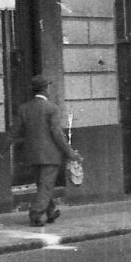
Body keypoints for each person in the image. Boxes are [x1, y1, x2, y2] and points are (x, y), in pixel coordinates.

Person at [8, 72, 77, 226]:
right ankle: (35, 214)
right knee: (46, 186)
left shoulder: (24, 108)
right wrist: (70, 153)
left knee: (43, 185)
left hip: (32, 155)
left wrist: (3, 149)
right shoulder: (52, 108)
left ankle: (51, 212)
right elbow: (57, 135)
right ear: (45, 89)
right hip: (50, 155)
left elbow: (14, 131)